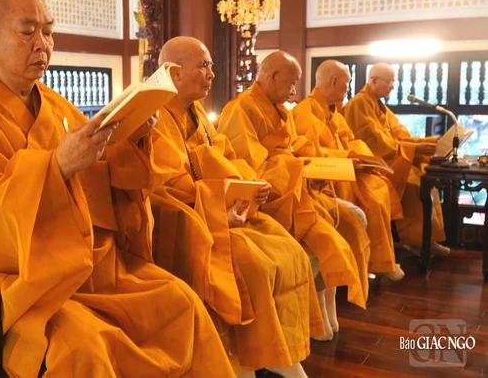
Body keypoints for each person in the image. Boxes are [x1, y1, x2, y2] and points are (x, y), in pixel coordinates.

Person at [0, 0, 234, 377]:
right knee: (82, 347)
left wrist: (133, 140)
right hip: (24, 284)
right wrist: (56, 168)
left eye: (49, 32)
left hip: (89, 270)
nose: (42, 44)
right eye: (28, 31)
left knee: (180, 303)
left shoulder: (58, 108)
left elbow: (103, 187)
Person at [150, 36, 323, 378]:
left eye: (211, 65)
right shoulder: (155, 116)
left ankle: (274, 352)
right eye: (204, 65)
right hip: (185, 222)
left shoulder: (197, 112)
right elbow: (165, 188)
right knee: (251, 265)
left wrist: (251, 186)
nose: (212, 74)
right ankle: (247, 359)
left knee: (289, 249)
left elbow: (226, 157)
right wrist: (217, 213)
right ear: (174, 72)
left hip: (221, 211)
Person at [218, 51, 367, 343]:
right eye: (291, 83)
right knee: (320, 236)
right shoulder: (241, 109)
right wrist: (296, 167)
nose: (293, 90)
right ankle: (310, 320)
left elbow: (296, 147)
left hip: (295, 189)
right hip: (268, 198)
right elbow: (245, 165)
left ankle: (325, 308)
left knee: (333, 233)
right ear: (273, 77)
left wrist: (313, 166)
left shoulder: (282, 111)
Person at [292, 60, 405, 281]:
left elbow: (351, 141)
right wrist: (345, 159)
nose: (349, 88)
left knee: (379, 188)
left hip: (346, 171)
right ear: (334, 82)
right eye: (347, 83)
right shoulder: (305, 111)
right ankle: (370, 263)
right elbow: (308, 152)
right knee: (372, 199)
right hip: (326, 180)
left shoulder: (335, 113)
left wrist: (362, 159)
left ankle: (377, 261)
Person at [343, 63, 449, 256]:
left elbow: (399, 134)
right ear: (373, 80)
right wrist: (413, 148)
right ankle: (415, 240)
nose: (393, 86)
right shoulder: (359, 103)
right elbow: (375, 142)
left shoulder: (379, 105)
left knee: (423, 176)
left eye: (394, 82)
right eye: (390, 81)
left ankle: (426, 239)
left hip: (389, 160)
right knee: (413, 183)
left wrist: (425, 142)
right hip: (372, 164)